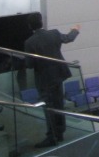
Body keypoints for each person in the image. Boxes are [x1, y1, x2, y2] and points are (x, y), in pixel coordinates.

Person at [23, 12, 80, 148]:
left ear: (30, 25)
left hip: (44, 80)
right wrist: (75, 29)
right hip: (59, 76)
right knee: (59, 104)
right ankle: (60, 132)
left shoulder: (29, 42)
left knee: (49, 108)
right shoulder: (54, 34)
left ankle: (52, 137)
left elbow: (29, 65)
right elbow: (68, 38)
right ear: (41, 22)